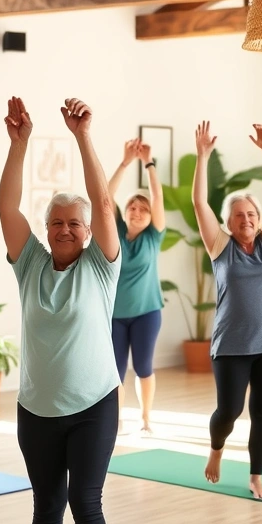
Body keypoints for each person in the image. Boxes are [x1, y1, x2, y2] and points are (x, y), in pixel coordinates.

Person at [0, 96, 121, 524]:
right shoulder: (29, 264)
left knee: (85, 502)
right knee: (46, 506)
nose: (65, 229)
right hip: (36, 408)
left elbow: (106, 204)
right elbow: (6, 209)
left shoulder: (101, 267)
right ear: (46, 229)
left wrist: (82, 136)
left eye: (75, 223)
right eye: (56, 222)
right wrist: (19, 144)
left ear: (88, 232)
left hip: (93, 405)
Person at [193, 120, 262, 500]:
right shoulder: (220, 247)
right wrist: (203, 157)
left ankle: (255, 476)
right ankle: (217, 448)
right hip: (231, 344)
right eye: (238, 216)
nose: (246, 220)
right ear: (229, 223)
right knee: (229, 411)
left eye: (251, 215)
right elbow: (200, 203)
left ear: (259, 219)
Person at [106, 138, 167, 434]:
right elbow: (105, 196)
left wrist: (149, 164)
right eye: (132, 206)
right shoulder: (116, 229)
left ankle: (145, 418)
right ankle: (115, 419)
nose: (138, 211)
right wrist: (126, 161)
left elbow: (157, 198)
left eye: (143, 208)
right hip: (116, 314)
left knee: (143, 366)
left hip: (146, 312)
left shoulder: (154, 236)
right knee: (116, 371)